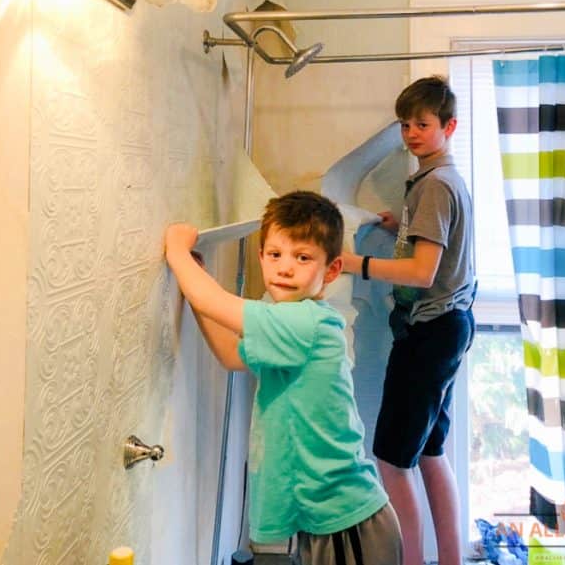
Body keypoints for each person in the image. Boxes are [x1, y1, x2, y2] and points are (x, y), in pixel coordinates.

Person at [165, 190, 403, 565]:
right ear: (261, 257)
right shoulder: (281, 321)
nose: (285, 267)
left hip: (348, 522)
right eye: (275, 254)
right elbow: (230, 353)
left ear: (332, 271)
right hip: (322, 517)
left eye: (303, 257)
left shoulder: (306, 323)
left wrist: (178, 253)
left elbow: (217, 304)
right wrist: (194, 285)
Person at [342, 76, 476, 565]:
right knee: (430, 453)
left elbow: (422, 272)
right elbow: (438, 243)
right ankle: (449, 560)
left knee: (392, 462)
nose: (411, 133)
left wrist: (356, 264)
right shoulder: (441, 179)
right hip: (450, 325)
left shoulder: (435, 185)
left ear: (449, 126)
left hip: (431, 331)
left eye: (422, 123)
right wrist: (402, 227)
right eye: (405, 123)